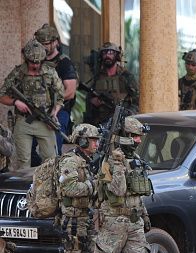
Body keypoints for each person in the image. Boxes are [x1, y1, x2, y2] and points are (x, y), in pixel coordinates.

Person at [88, 117, 164, 253]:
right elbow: (118, 190)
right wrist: (119, 165)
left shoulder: (134, 159)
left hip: (133, 221)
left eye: (140, 136)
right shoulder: (110, 161)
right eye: (135, 136)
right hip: (112, 220)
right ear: (126, 137)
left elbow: (136, 194)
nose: (139, 140)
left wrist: (144, 215)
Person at [55, 123, 100, 253]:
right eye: (92, 140)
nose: (96, 144)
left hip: (87, 217)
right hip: (73, 220)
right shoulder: (70, 162)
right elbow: (69, 189)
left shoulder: (87, 160)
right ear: (82, 141)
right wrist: (93, 186)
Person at [0, 39, 63, 169]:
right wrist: (15, 102)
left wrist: (54, 112)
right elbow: (2, 95)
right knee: (23, 161)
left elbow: (60, 96)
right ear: (26, 59)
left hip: (45, 121)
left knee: (51, 160)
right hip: (24, 122)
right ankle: (25, 189)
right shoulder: (18, 73)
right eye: (32, 62)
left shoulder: (49, 72)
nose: (35, 65)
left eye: (38, 62)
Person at [34, 23, 78, 157]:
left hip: (59, 112)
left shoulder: (64, 63)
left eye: (46, 43)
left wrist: (52, 104)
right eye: (40, 43)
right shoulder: (36, 61)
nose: (43, 46)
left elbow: (70, 92)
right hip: (37, 111)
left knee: (54, 150)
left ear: (55, 42)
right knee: (29, 152)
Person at [84, 42, 139, 126]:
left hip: (121, 122)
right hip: (100, 122)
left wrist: (129, 113)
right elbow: (89, 98)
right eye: (104, 53)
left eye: (111, 53)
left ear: (116, 55)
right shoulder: (97, 77)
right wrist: (93, 102)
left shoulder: (126, 76)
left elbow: (137, 99)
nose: (107, 56)